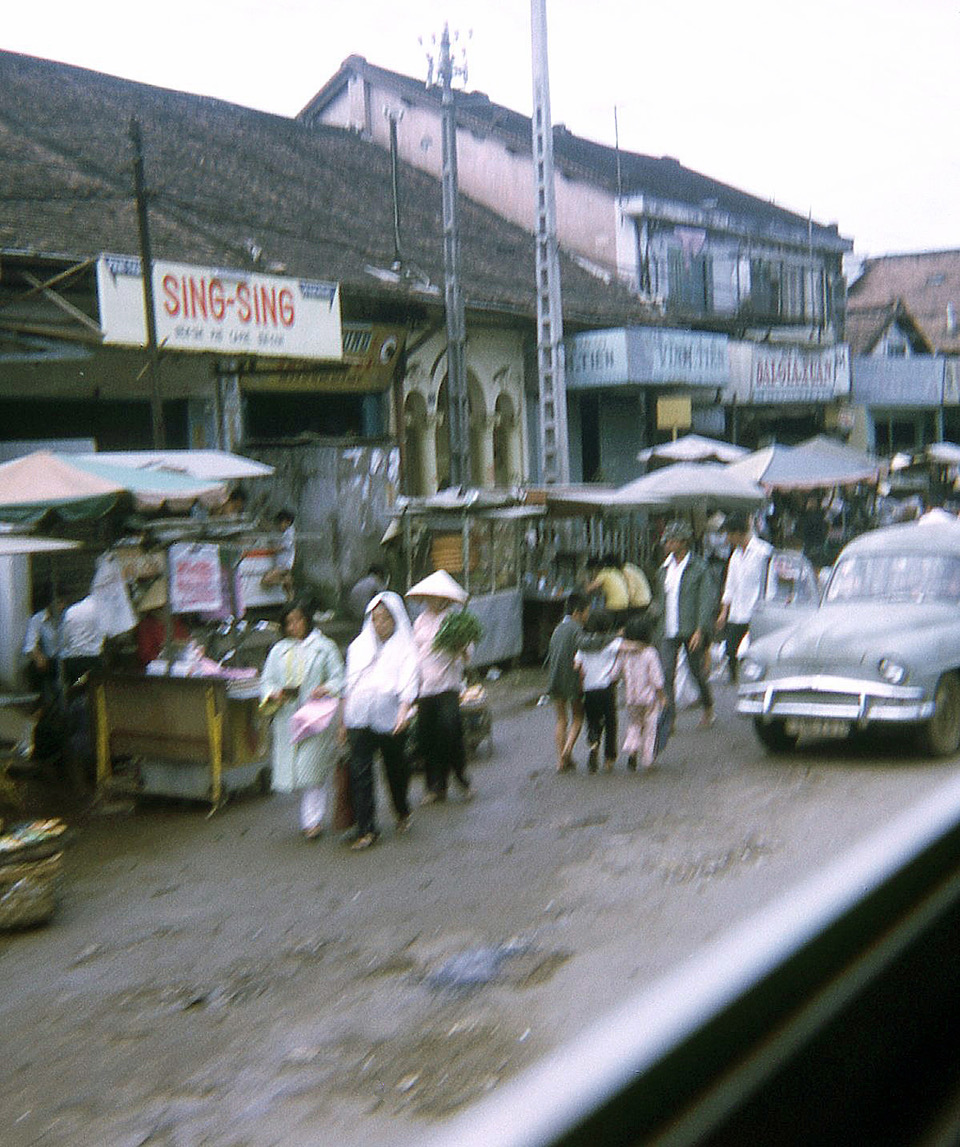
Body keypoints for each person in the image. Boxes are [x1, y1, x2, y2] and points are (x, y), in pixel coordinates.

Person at [260, 599, 344, 839]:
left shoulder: (324, 647)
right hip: (288, 716)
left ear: (307, 619)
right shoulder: (279, 650)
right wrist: (273, 693)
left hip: (316, 716)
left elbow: (340, 677)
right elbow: (267, 681)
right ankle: (309, 818)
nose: (293, 626)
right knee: (297, 769)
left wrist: (326, 688)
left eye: (298, 620)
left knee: (312, 767)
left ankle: (312, 821)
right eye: (289, 622)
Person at [340, 592, 418, 850]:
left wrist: (403, 712)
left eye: (385, 618)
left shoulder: (406, 647)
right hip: (359, 716)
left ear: (395, 619)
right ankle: (366, 828)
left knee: (395, 769)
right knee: (360, 772)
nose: (380, 624)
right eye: (375, 619)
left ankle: (402, 810)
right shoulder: (358, 646)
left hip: (390, 717)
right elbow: (348, 685)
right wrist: (343, 721)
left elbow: (408, 681)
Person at [407, 569, 475, 804]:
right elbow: (414, 653)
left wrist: (460, 646)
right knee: (427, 737)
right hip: (425, 687)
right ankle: (435, 786)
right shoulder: (420, 622)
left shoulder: (456, 620)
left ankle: (460, 776)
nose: (434, 601)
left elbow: (468, 652)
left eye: (438, 597)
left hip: (448, 685)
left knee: (450, 731)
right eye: (431, 597)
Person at [652, 519, 718, 736]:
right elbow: (660, 600)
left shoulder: (699, 568)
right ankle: (669, 718)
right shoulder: (664, 569)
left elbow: (706, 601)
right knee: (666, 673)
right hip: (667, 629)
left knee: (696, 671)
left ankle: (708, 707)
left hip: (690, 629)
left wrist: (700, 629)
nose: (666, 544)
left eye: (670, 541)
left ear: (682, 542)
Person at [715, 511, 773, 683]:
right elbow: (730, 586)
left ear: (738, 533)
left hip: (756, 612)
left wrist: (766, 609)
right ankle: (735, 680)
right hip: (737, 612)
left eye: (729, 535)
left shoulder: (763, 552)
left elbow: (771, 585)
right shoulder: (735, 556)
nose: (727, 539)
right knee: (731, 649)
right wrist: (724, 612)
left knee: (754, 652)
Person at [573, 608, 623, 772]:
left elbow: (576, 666)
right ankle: (609, 759)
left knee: (593, 722)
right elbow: (627, 648)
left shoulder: (583, 648)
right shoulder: (611, 643)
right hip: (606, 688)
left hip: (589, 689)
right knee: (610, 723)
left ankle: (594, 745)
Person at [616, 613, 668, 771]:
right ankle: (647, 759)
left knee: (635, 725)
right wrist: (662, 696)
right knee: (650, 728)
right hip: (649, 699)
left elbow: (617, 672)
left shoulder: (625, 652)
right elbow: (656, 678)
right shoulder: (650, 653)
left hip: (631, 698)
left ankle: (632, 751)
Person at [546, 590, 590, 772]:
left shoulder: (557, 629)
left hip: (554, 677)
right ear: (577, 613)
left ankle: (562, 760)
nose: (588, 615)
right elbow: (583, 651)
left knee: (561, 719)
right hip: (572, 679)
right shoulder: (578, 630)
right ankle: (567, 751)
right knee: (578, 717)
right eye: (587, 611)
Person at [22, 586, 64, 701]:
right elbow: (30, 645)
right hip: (50, 661)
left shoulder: (68, 616)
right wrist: (38, 657)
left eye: (62, 602)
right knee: (34, 669)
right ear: (49, 603)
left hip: (68, 658)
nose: (60, 606)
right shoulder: (37, 619)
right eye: (57, 602)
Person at [59, 593, 106, 689]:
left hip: (73, 661)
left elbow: (64, 640)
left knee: (75, 690)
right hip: (93, 661)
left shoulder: (71, 611)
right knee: (95, 693)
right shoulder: (103, 613)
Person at [261, 509, 296, 599]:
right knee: (288, 591)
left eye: (281, 523)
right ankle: (291, 601)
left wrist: (268, 549)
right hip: (281, 563)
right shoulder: (283, 531)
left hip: (284, 564)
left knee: (266, 580)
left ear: (287, 522)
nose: (279, 526)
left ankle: (287, 580)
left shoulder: (290, 532)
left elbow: (281, 548)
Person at [585, 555, 629, 621]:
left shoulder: (604, 573)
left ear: (595, 569)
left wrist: (586, 581)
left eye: (591, 571)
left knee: (596, 616)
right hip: (625, 604)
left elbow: (589, 589)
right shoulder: (615, 571)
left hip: (614, 606)